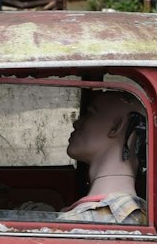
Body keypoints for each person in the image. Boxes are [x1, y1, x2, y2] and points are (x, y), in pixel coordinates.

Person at [59, 91, 149, 225]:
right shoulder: (141, 215)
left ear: (116, 127)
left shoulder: (83, 223)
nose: (76, 123)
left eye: (90, 114)